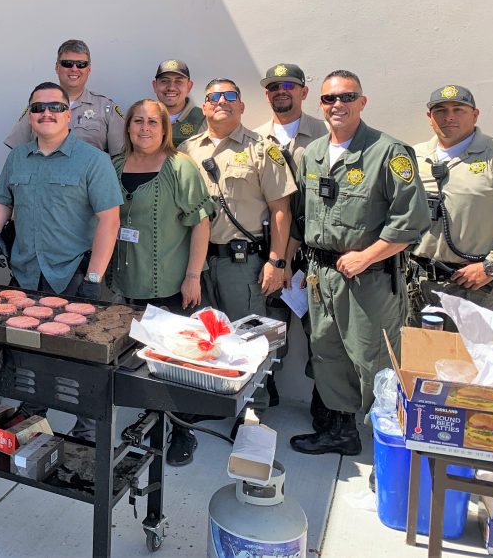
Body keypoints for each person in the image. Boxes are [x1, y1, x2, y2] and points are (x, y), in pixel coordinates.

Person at [289, 70, 429, 456]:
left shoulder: (388, 152)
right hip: (321, 275)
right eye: (330, 99)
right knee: (327, 353)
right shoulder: (314, 153)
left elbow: (411, 221)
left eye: (347, 97)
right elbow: (302, 216)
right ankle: (340, 432)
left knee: (375, 359)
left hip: (368, 279)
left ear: (362, 102)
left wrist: (368, 256)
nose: (338, 105)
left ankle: (395, 446)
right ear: (320, 104)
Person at [0, 81, 122, 441]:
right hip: (27, 272)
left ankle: (88, 426)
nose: (46, 113)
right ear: (30, 115)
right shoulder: (17, 157)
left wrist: (94, 277)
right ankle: (32, 410)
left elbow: (110, 219)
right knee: (26, 349)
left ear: (69, 114)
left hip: (74, 274)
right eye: (38, 107)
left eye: (55, 107)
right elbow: (2, 199)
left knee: (81, 356)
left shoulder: (94, 160)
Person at [176, 79, 295, 466]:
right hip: (199, 261)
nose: (222, 102)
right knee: (206, 336)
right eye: (214, 98)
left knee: (249, 337)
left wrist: (277, 261)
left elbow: (281, 210)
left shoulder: (263, 150)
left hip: (244, 263)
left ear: (242, 107)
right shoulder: (187, 149)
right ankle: (213, 401)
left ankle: (251, 412)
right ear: (205, 107)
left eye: (230, 97)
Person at [253, 63, 330, 431]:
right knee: (266, 329)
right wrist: (276, 257)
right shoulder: (254, 138)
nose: (280, 91)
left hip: (313, 255)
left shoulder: (326, 135)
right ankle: (263, 395)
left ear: (303, 92)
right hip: (270, 253)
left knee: (321, 335)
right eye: (273, 86)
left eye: (289, 85)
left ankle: (326, 406)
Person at [408, 84, 493, 321]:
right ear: (429, 117)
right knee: (420, 356)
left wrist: (491, 266)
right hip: (419, 286)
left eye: (458, 109)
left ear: (475, 114)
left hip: (474, 287)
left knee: (470, 357)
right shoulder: (416, 156)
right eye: (440, 110)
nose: (449, 117)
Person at [109, 98, 212, 312]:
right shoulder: (114, 166)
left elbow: (200, 223)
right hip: (124, 287)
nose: (145, 128)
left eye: (153, 122)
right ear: (128, 127)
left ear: (165, 129)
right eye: (138, 121)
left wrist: (193, 277)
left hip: (170, 289)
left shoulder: (180, 166)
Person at [4, 39, 125, 155]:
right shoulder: (38, 106)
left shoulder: (106, 108)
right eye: (67, 64)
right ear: (57, 67)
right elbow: (19, 151)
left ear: (89, 69)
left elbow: (119, 157)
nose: (74, 69)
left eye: (81, 64)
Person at [152, 60, 207, 147]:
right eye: (164, 81)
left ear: (189, 86)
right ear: (155, 86)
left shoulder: (204, 120)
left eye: (178, 81)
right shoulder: (142, 117)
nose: (171, 87)